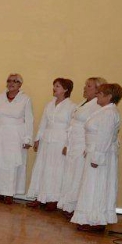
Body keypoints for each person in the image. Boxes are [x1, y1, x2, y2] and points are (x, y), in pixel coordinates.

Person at [71, 83, 122, 232]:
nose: (97, 95)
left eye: (100, 93)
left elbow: (104, 138)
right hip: (94, 152)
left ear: (109, 96)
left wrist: (97, 158)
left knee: (97, 186)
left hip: (101, 157)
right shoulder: (104, 111)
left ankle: (96, 220)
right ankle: (90, 218)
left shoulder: (109, 113)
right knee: (91, 186)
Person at [57, 77, 106, 218]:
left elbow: (95, 129)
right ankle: (67, 204)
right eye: (85, 85)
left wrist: (88, 147)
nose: (85, 88)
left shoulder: (98, 106)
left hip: (83, 145)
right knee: (70, 174)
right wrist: (67, 144)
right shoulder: (83, 103)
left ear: (97, 90)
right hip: (73, 143)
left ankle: (75, 207)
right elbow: (72, 124)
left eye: (88, 86)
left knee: (78, 176)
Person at [26, 78, 76, 211]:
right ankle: (40, 197)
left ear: (66, 89)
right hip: (46, 140)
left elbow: (72, 127)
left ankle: (53, 199)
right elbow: (43, 122)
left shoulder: (72, 106)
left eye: (58, 86)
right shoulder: (49, 104)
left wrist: (68, 144)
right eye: (54, 86)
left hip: (60, 141)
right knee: (43, 168)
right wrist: (37, 139)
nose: (54, 88)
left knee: (56, 170)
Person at [0, 74, 33, 204]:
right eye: (9, 81)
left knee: (12, 163)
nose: (11, 83)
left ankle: (9, 193)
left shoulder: (25, 99)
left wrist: (28, 138)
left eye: (15, 81)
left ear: (20, 84)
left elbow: (29, 120)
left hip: (15, 135)